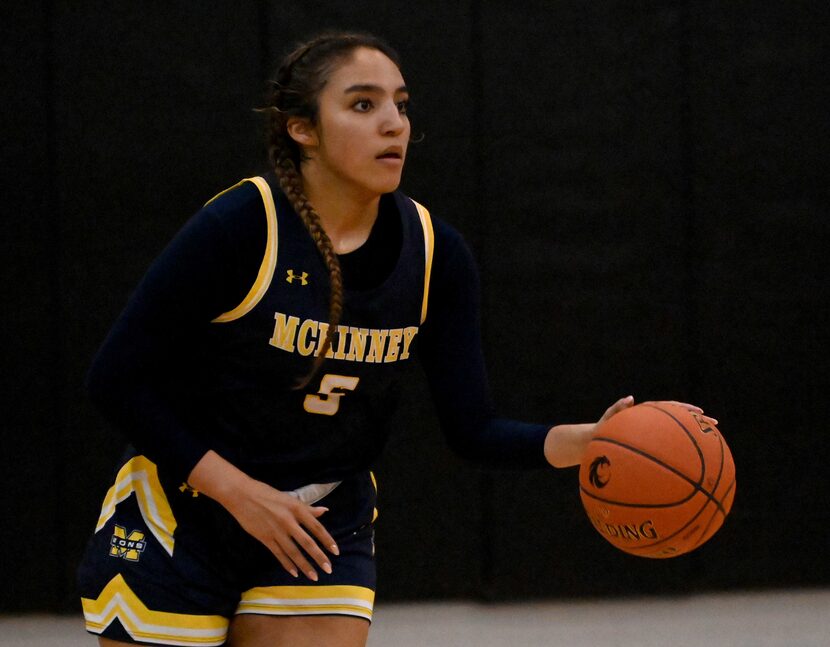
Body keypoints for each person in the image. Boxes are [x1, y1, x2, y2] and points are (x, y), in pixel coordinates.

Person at [77, 31, 708, 647]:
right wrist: (242, 496)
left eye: (400, 105)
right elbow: (114, 380)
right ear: (302, 129)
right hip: (187, 508)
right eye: (362, 104)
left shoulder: (438, 254)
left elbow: (472, 428)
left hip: (320, 522)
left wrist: (586, 441)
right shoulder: (243, 226)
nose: (394, 124)